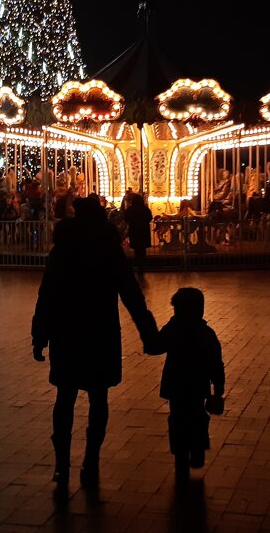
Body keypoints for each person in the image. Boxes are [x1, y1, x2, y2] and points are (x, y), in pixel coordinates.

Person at [31, 195, 157, 490]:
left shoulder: (62, 249)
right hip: (100, 329)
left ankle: (62, 464)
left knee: (65, 397)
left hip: (67, 330)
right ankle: (91, 457)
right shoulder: (108, 249)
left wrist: (40, 334)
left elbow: (47, 294)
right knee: (98, 397)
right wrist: (147, 332)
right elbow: (131, 293)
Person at [144, 287, 225, 479]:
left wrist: (147, 327)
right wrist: (218, 389)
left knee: (177, 419)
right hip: (198, 385)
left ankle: (180, 456)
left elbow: (155, 347)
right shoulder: (206, 333)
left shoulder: (173, 330)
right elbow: (216, 364)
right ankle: (197, 449)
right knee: (198, 417)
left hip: (176, 385)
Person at [123, 191, 153, 274]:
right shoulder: (145, 209)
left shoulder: (130, 209)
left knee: (137, 249)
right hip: (143, 231)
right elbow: (150, 218)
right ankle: (142, 265)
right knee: (142, 249)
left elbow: (126, 218)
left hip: (134, 230)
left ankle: (138, 265)